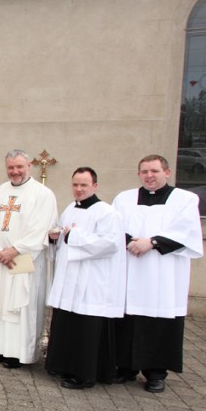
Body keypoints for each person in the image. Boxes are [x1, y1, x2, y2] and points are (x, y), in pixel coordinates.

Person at [112, 154, 203, 393]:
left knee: (159, 320)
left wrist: (151, 242)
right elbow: (113, 225)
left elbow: (187, 231)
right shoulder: (125, 198)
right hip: (132, 266)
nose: (149, 176)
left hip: (163, 272)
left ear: (167, 172)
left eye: (154, 171)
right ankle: (125, 368)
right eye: (144, 171)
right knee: (127, 318)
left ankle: (155, 373)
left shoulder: (184, 199)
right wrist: (131, 241)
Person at [45, 167, 126, 389]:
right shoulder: (70, 208)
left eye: (83, 185)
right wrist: (55, 238)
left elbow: (110, 244)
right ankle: (62, 365)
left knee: (85, 329)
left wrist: (74, 235)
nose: (78, 189)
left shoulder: (107, 212)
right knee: (67, 324)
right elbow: (64, 239)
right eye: (75, 185)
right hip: (69, 278)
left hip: (91, 281)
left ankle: (85, 374)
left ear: (95, 186)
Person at [0, 149, 58, 369]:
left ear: (28, 167)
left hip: (23, 260)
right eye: (11, 167)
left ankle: (18, 353)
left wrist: (14, 250)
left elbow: (41, 227)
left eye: (19, 167)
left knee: (20, 306)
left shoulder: (42, 194)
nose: (15, 172)